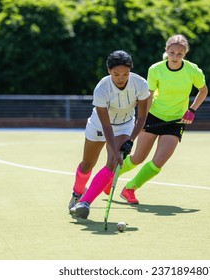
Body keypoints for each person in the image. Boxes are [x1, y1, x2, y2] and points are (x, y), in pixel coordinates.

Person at [117, 34, 208, 204]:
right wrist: (142, 119)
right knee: (137, 158)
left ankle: (130, 189)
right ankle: (111, 176)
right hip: (154, 116)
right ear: (166, 50)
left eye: (179, 54)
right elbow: (149, 96)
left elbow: (203, 91)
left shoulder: (193, 71)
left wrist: (192, 110)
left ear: (185, 54)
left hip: (176, 121)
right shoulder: (155, 69)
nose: (175, 57)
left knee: (159, 162)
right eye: (172, 52)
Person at [68, 50, 150, 219]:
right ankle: (77, 193)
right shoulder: (102, 88)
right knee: (87, 164)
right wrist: (113, 147)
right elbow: (106, 125)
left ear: (130, 71)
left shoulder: (140, 84)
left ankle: (84, 202)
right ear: (109, 71)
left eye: (125, 73)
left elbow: (142, 117)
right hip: (100, 125)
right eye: (116, 74)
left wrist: (130, 140)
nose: (121, 78)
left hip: (124, 125)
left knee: (113, 162)